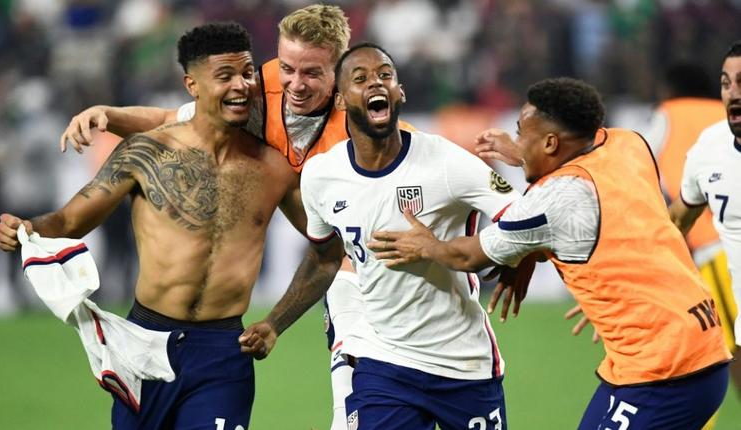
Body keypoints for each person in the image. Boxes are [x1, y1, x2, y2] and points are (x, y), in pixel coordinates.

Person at [58, 6, 413, 429]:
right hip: (303, 227)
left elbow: (426, 178)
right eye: (288, 68)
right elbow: (173, 119)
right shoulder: (255, 87)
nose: (295, 84)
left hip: (364, 258)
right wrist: (107, 115)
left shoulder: (367, 116)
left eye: (311, 73)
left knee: (353, 324)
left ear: (340, 73)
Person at [370, 77, 732, 429]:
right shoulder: (628, 143)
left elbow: (472, 256)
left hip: (668, 371)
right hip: (693, 346)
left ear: (551, 143)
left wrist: (425, 244)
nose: (515, 140)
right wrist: (524, 155)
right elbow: (615, 217)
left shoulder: (559, 198)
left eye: (521, 133)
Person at [0, 22, 305, 430]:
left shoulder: (275, 168)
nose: (242, 85)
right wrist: (27, 228)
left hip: (224, 353)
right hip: (144, 345)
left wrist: (276, 321)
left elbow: (327, 249)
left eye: (247, 73)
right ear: (192, 85)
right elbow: (70, 220)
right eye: (225, 76)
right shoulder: (145, 152)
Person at [239, 43, 532, 430]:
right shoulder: (322, 175)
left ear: (399, 92)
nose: (376, 82)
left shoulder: (445, 163)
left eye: (385, 75)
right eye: (360, 79)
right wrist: (275, 322)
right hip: (385, 364)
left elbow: (530, 221)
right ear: (342, 99)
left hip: (463, 363)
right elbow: (325, 257)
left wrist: (514, 258)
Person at [670, 40, 741, 395]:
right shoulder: (709, 148)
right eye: (726, 83)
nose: (733, 94)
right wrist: (623, 277)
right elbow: (676, 222)